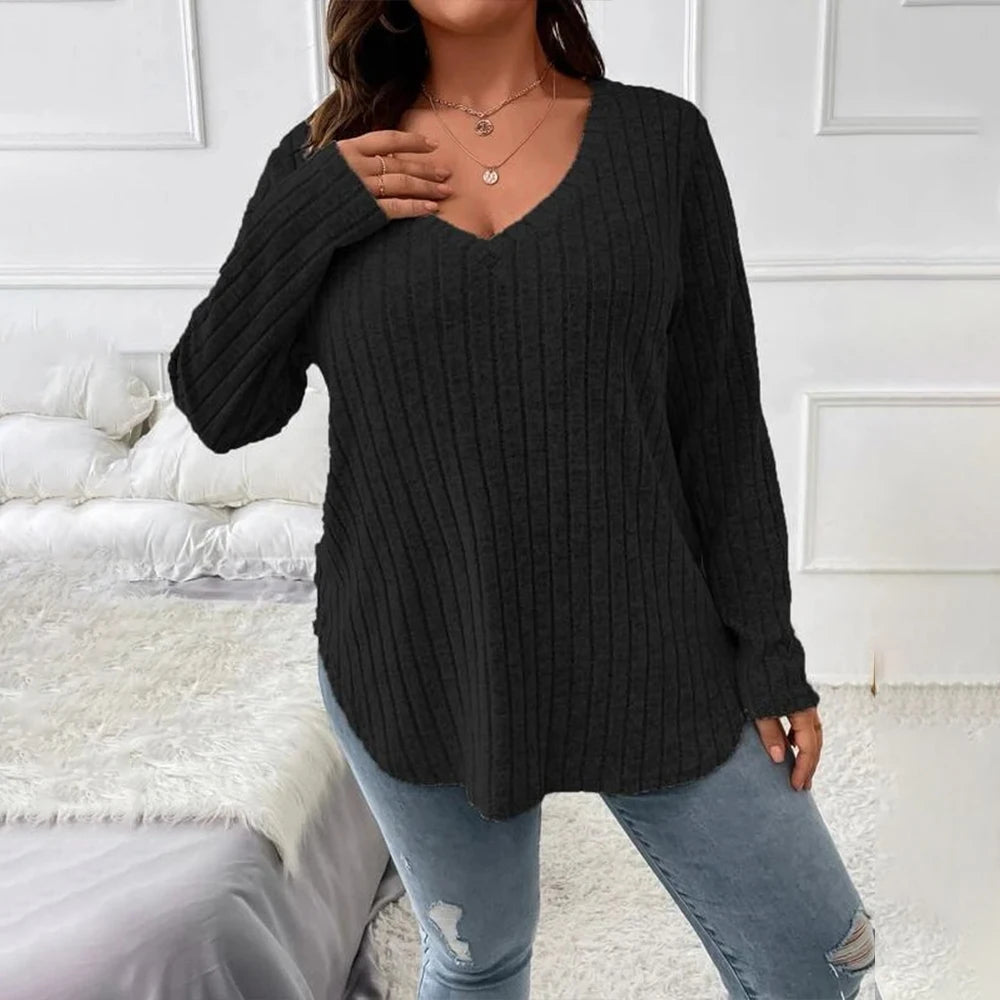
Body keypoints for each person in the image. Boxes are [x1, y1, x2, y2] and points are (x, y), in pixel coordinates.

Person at [168, 1, 879, 997]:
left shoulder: (661, 145)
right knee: (478, 959)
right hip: (419, 652)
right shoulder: (324, 165)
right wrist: (312, 213)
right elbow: (220, 408)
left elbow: (716, 423)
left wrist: (768, 652)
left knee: (823, 960)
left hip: (649, 637)